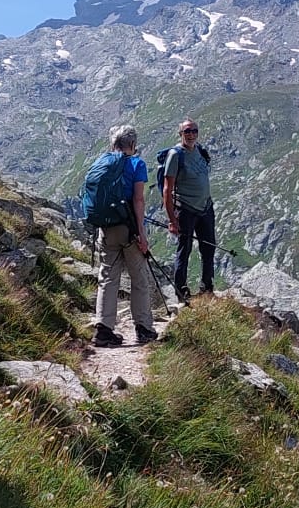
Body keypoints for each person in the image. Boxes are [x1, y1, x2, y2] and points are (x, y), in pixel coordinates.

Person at [90, 125, 157, 347]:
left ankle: (103, 329)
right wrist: (141, 233)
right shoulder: (137, 164)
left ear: (113, 143)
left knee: (108, 277)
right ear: (133, 144)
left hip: (106, 227)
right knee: (139, 278)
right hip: (128, 227)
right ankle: (144, 328)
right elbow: (138, 200)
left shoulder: (103, 162)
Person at [162, 117, 216, 300]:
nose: (191, 134)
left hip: (205, 208)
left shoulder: (200, 150)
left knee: (209, 248)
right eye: (187, 131)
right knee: (184, 250)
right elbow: (167, 189)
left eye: (194, 131)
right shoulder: (176, 155)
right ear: (180, 134)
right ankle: (181, 292)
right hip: (186, 209)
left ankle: (207, 288)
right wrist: (171, 219)